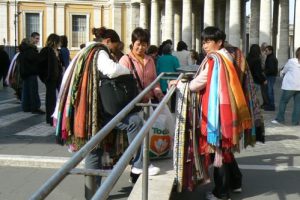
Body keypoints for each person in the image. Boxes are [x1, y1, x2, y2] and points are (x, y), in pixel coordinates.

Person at [188, 27, 248, 200]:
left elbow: (199, 82)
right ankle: (236, 182)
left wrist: (183, 85)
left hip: (217, 112)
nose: (204, 45)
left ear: (219, 42)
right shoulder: (229, 56)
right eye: (203, 41)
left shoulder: (215, 59)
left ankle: (221, 193)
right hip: (227, 109)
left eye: (208, 41)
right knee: (225, 149)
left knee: (218, 152)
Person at [119, 27, 164, 103]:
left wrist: (158, 93)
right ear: (133, 43)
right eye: (138, 44)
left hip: (150, 102)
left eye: (143, 45)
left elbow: (154, 81)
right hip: (133, 103)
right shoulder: (125, 60)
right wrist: (140, 95)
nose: (141, 48)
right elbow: (123, 84)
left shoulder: (150, 60)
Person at [39, 34, 63, 126]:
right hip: (50, 79)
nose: (60, 43)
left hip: (57, 78)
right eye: (59, 41)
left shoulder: (56, 51)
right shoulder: (46, 50)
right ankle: (50, 118)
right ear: (54, 41)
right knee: (50, 99)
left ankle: (56, 116)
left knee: (57, 97)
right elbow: (40, 64)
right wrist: (46, 77)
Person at [272, 47, 300, 125]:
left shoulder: (291, 61)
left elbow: (284, 70)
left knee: (283, 102)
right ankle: (295, 121)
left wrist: (282, 72)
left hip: (290, 86)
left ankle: (280, 119)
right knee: (298, 104)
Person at [19, 33, 44, 114]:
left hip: (25, 73)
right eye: (36, 38)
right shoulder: (30, 50)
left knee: (26, 91)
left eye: (38, 39)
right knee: (33, 91)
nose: (37, 40)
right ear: (32, 38)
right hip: (31, 72)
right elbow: (35, 60)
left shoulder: (24, 49)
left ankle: (26, 107)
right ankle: (35, 107)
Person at [156, 43, 179, 112]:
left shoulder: (159, 59)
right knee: (173, 100)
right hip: (172, 82)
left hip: (162, 81)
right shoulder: (174, 59)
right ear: (170, 51)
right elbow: (177, 68)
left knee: (164, 100)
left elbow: (157, 69)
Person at [246, 44, 269, 108]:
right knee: (254, 95)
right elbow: (258, 72)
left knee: (249, 95)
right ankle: (252, 108)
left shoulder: (247, 58)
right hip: (255, 80)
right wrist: (263, 80)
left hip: (248, 79)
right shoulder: (257, 60)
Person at [264, 45, 278, 111]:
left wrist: (265, 72)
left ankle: (271, 106)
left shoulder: (271, 58)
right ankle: (270, 105)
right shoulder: (270, 57)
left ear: (270, 51)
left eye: (266, 51)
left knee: (270, 91)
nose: (265, 52)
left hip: (271, 76)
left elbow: (271, 69)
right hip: (271, 76)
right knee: (269, 91)